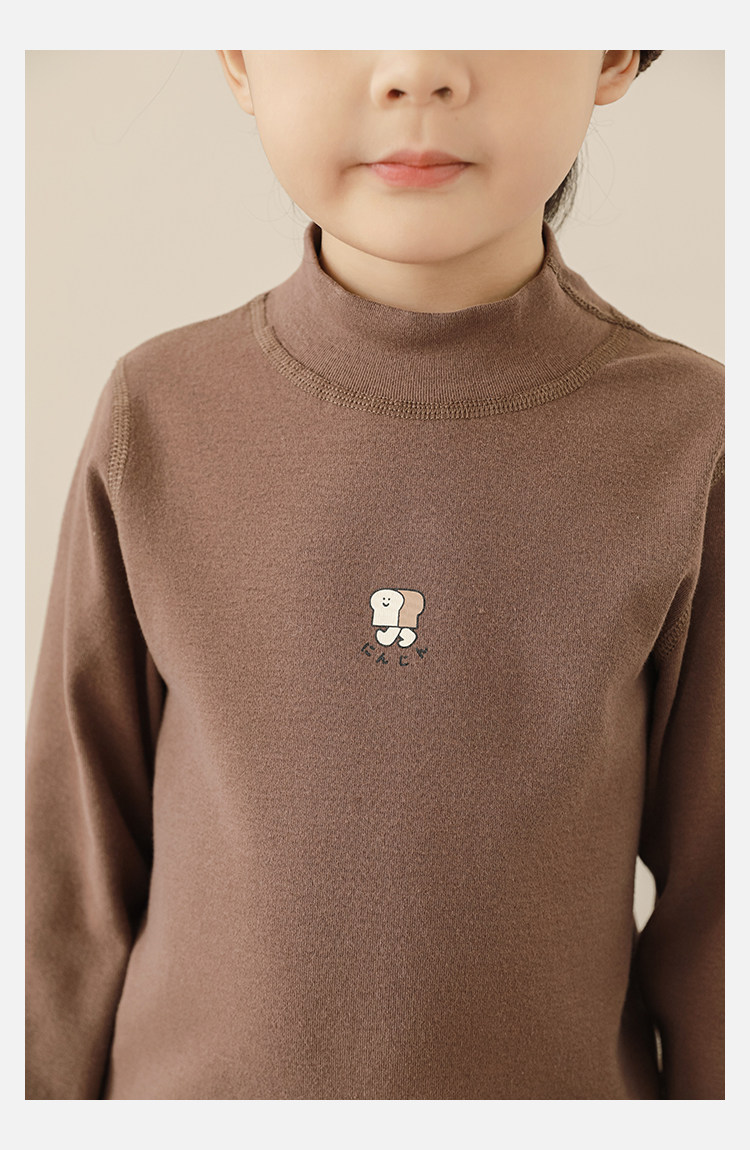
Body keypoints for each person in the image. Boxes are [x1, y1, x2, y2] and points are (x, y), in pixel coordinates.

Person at [25, 51, 723, 1101]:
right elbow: (64, 883)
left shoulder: (688, 437)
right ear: (238, 56)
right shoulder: (156, 411)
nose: (416, 69)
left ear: (617, 49)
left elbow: (723, 917)